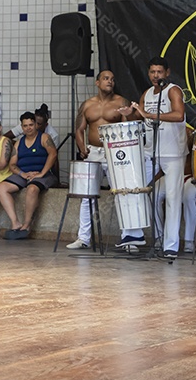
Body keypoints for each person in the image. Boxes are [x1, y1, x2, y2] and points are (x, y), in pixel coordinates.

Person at [66, 70, 143, 250]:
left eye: (113, 79)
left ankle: (129, 238)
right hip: (93, 152)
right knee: (87, 196)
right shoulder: (87, 105)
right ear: (97, 82)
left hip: (115, 153)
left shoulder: (121, 102)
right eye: (106, 78)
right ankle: (83, 238)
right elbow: (79, 129)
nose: (110, 81)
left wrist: (129, 113)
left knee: (122, 193)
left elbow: (129, 126)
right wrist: (81, 148)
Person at [121, 57, 186, 258]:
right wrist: (128, 114)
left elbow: (179, 115)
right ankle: (134, 235)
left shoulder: (173, 90)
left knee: (173, 199)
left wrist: (150, 115)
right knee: (133, 187)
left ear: (167, 72)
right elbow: (140, 116)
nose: (156, 75)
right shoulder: (147, 93)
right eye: (152, 72)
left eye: (159, 72)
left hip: (173, 153)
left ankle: (170, 246)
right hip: (150, 151)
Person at [0, 112, 58, 238]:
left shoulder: (44, 137)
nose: (28, 128)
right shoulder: (19, 143)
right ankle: (15, 223)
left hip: (43, 174)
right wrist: (22, 174)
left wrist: (42, 173)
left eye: (31, 124)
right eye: (25, 126)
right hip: (24, 174)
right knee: (1, 187)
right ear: (22, 127)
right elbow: (12, 164)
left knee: (32, 189)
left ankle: (26, 225)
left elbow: (53, 154)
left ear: (36, 125)